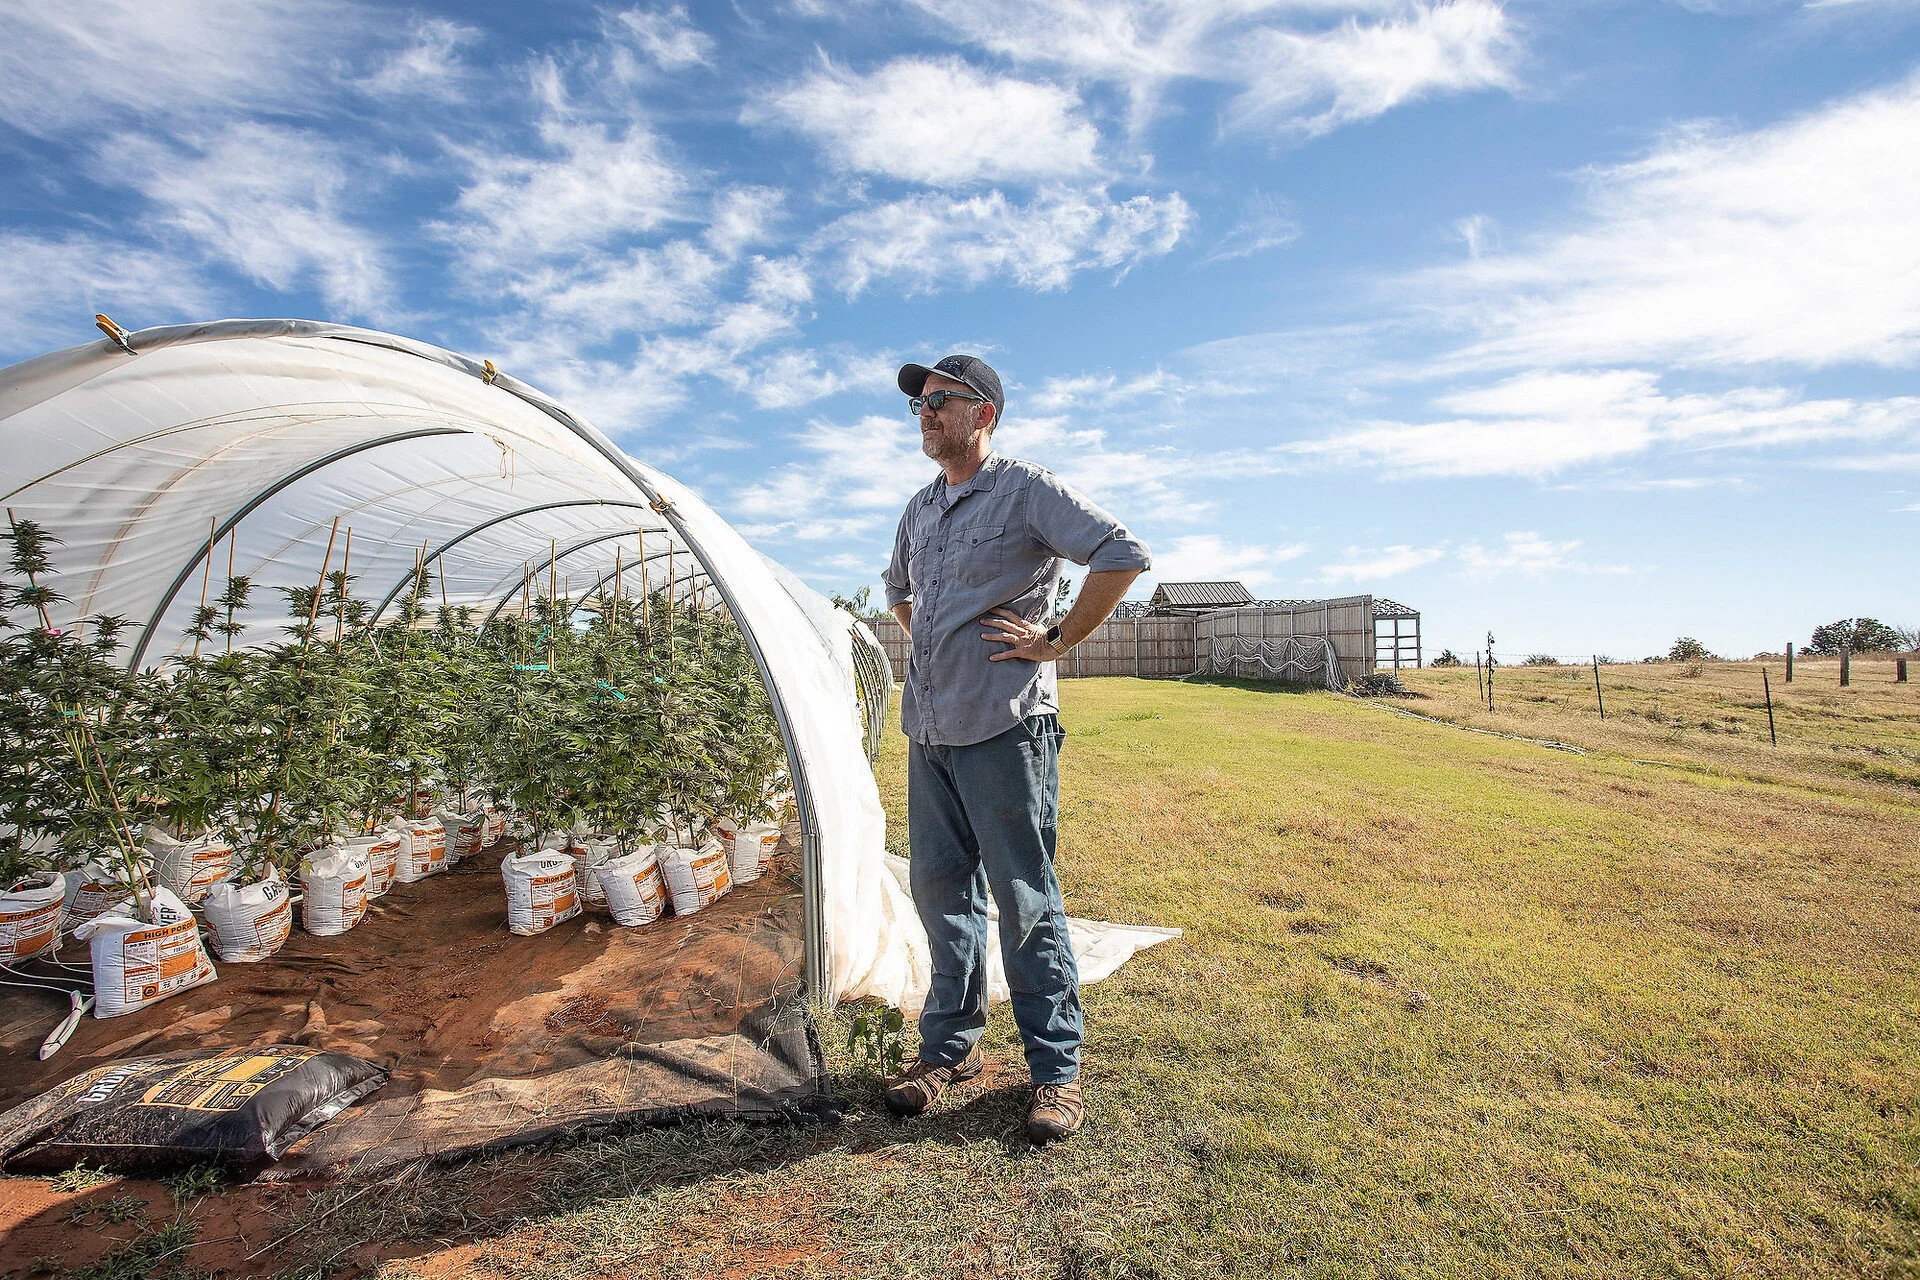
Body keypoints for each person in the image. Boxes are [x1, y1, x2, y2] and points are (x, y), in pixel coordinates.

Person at [880, 353, 1150, 1144]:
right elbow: (897, 591)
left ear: (982, 413)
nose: (925, 413)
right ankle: (949, 1051)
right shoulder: (919, 510)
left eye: (939, 401)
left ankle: (1055, 1072)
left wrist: (1054, 639)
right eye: (919, 405)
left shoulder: (1025, 490)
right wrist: (935, 644)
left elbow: (1121, 554)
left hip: (1004, 726)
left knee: (1024, 898)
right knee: (940, 894)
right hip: (929, 730)